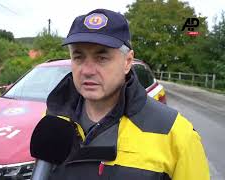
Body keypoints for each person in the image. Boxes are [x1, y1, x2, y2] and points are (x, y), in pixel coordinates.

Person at [45, 9, 210, 180]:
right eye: (78, 57)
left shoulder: (176, 134)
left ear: (127, 62)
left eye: (102, 58)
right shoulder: (54, 120)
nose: (87, 70)